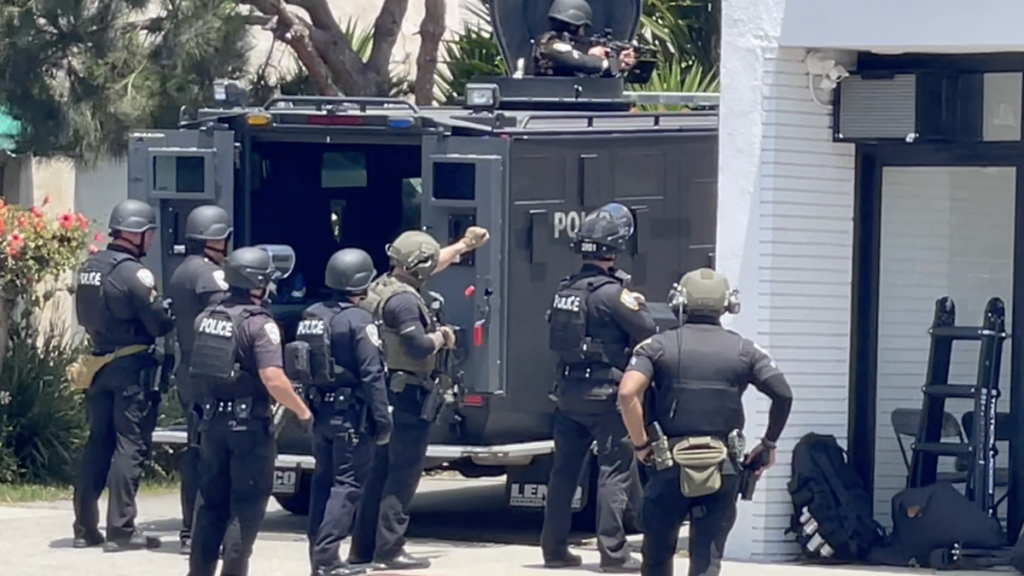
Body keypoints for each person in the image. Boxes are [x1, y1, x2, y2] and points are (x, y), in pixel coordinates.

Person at [616, 268, 795, 576]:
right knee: (707, 561)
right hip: (723, 466)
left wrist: (641, 444)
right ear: (727, 304)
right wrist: (768, 444)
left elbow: (627, 393)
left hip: (667, 464)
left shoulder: (656, 346)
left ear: (679, 301)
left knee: (656, 557)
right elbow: (783, 394)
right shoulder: (745, 350)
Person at [347, 227, 490, 570]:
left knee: (378, 474)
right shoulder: (406, 302)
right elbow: (418, 345)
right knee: (403, 475)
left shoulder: (382, 287)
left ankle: (363, 549)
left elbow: (428, 262)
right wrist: (443, 336)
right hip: (408, 397)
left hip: (384, 394)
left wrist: (464, 245)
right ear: (418, 267)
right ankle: (391, 549)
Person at [187, 246, 314, 576]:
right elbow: (273, 377)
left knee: (211, 507)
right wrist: (302, 411)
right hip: (248, 429)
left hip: (212, 424)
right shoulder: (260, 324)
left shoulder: (207, 318)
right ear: (257, 283)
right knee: (245, 510)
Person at [541, 202, 654, 573]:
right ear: (615, 248)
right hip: (607, 398)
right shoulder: (611, 294)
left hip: (569, 393)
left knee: (563, 474)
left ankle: (554, 550)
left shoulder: (565, 290)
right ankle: (614, 554)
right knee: (614, 473)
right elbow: (649, 333)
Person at [71, 199, 174, 552]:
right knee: (130, 446)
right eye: (149, 233)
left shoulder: (90, 267)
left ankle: (84, 528)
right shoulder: (133, 273)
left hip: (98, 364)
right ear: (138, 234)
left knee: (97, 444)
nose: (151, 240)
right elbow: (158, 324)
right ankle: (121, 530)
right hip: (131, 369)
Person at [290, 248, 393, 576]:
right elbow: (372, 373)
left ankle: (316, 555)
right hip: (351, 415)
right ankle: (329, 558)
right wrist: (383, 419)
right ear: (361, 283)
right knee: (347, 485)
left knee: (323, 482)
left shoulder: (312, 314)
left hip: (319, 410)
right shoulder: (360, 321)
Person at [165, 204, 241, 556]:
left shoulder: (182, 270)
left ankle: (189, 530)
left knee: (196, 454)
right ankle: (199, 532)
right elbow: (229, 315)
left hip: (189, 373)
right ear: (216, 240)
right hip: (209, 378)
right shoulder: (209, 275)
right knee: (211, 458)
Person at [532, 0, 637, 78]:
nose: (583, 33)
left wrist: (619, 62)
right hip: (551, 103)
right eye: (582, 27)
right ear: (573, 26)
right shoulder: (548, 45)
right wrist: (604, 61)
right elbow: (577, 61)